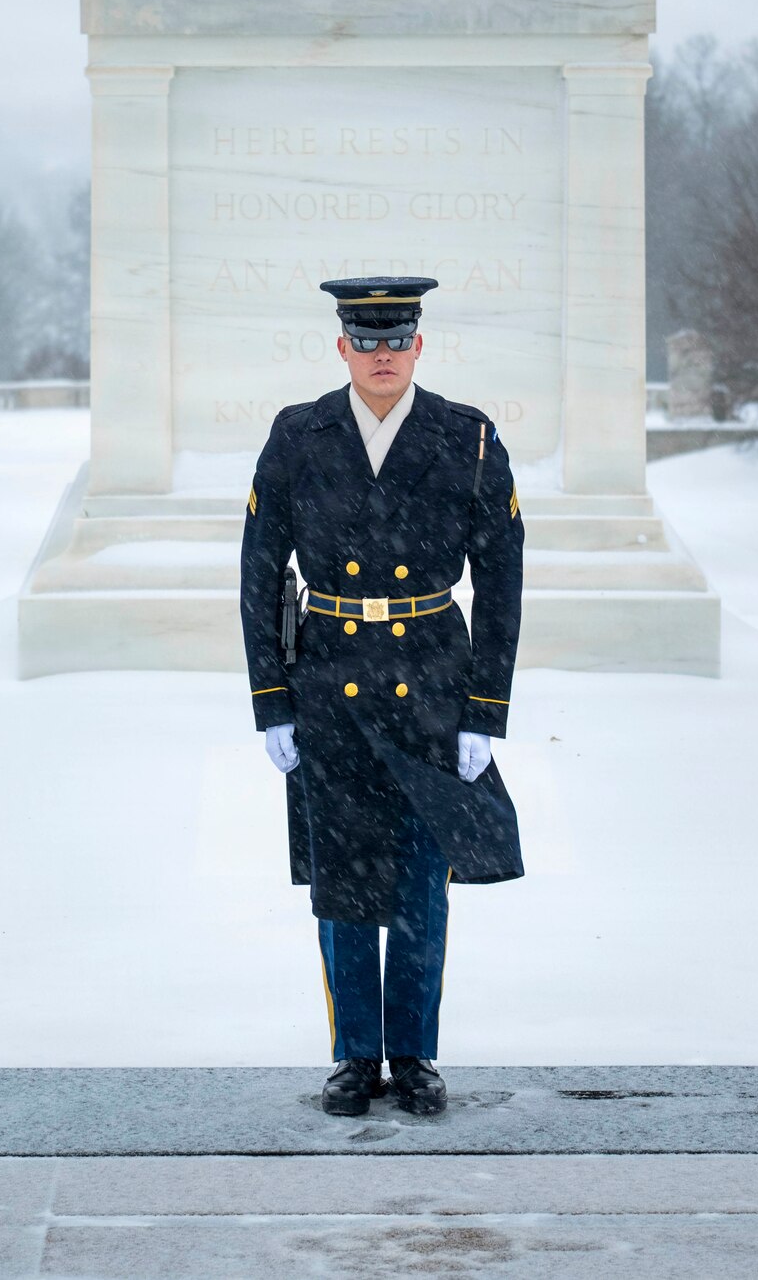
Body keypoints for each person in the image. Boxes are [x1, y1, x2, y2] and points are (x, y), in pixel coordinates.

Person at [238, 277, 526, 1117]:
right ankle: (356, 1055)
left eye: (396, 339)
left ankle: (414, 1052)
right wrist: (272, 699)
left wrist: (485, 709)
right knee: (344, 878)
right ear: (342, 349)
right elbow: (259, 571)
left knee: (418, 883)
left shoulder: (467, 438)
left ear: (419, 345)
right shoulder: (299, 435)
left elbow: (502, 581)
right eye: (366, 342)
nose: (382, 354)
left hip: (431, 685)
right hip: (329, 684)